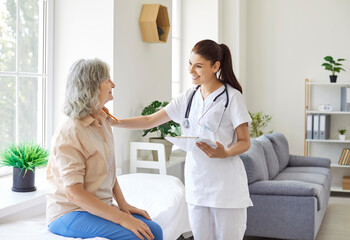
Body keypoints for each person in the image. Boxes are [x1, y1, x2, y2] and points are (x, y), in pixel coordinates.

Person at [114, 39, 253, 240]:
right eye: (189, 64)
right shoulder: (188, 97)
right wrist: (114, 122)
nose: (191, 71)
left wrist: (226, 152)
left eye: (198, 66)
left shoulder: (232, 98)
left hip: (226, 189)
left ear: (215, 67)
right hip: (197, 185)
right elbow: (149, 120)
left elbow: (245, 141)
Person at [46, 58, 163, 240]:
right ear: (91, 87)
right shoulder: (70, 132)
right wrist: (122, 220)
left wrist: (123, 204)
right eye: (107, 80)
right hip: (69, 212)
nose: (113, 84)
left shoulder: (102, 121)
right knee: (137, 237)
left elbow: (108, 171)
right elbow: (74, 194)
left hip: (97, 207)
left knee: (155, 231)